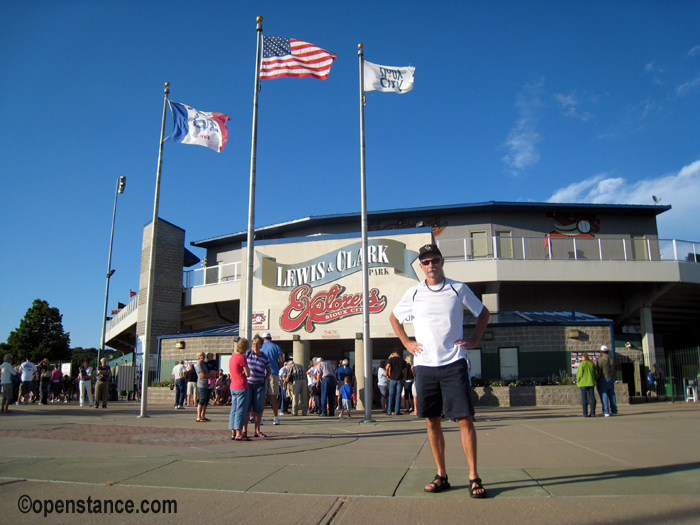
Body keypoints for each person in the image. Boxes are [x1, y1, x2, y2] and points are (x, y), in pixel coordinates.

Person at [390, 243, 490, 498]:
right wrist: (407, 343)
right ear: (421, 266)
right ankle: (441, 475)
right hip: (425, 365)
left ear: (442, 262)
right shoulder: (413, 293)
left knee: (465, 419)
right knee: (432, 420)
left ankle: (474, 477)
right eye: (426, 262)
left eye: (435, 260)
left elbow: (483, 313)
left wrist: (474, 341)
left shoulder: (458, 289)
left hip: (453, 362)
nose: (431, 265)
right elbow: (394, 318)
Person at [246, 334, 271, 437]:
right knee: (247, 407)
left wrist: (265, 380)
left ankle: (257, 430)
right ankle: (244, 430)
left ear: (261, 345)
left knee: (258, 407)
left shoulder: (264, 356)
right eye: (253, 344)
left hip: (259, 384)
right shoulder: (247, 355)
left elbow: (268, 370)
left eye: (257, 344)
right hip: (248, 383)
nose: (255, 346)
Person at [229, 338, 251, 441]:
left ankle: (233, 431)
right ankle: (239, 432)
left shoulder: (233, 357)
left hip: (233, 385)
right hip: (241, 385)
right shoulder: (242, 358)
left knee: (234, 409)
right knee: (240, 409)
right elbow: (247, 373)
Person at [260, 332, 284, 425]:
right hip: (273, 372)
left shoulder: (261, 346)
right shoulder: (276, 346)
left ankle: (260, 418)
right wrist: (279, 369)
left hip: (262, 373)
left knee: (263, 397)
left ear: (263, 338)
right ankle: (275, 417)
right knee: (274, 396)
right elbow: (281, 360)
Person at [596, 345, 618, 417]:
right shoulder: (612, 359)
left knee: (604, 394)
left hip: (603, 378)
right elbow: (616, 370)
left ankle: (606, 411)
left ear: (601, 351)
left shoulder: (600, 360)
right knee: (612, 394)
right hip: (611, 378)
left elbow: (599, 371)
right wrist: (614, 377)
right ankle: (614, 411)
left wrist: (597, 379)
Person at [195, 352, 216, 422]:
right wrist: (211, 376)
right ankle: (198, 416)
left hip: (208, 384)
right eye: (200, 356)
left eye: (203, 356)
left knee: (206, 400)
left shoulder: (205, 363)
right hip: (202, 384)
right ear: (198, 357)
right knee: (202, 399)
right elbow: (203, 374)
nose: (202, 357)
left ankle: (203, 415)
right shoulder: (199, 364)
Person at [575, 352, 597, 417]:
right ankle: (593, 412)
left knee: (584, 398)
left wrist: (578, 380)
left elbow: (579, 374)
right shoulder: (592, 364)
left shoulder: (582, 364)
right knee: (592, 397)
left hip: (583, 383)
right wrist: (595, 379)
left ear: (583, 357)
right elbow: (595, 373)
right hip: (591, 382)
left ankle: (585, 413)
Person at [386, 349, 406, 415]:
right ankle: (397, 410)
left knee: (391, 395)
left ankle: (389, 411)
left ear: (395, 353)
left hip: (392, 378)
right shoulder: (402, 360)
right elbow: (405, 370)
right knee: (398, 395)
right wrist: (404, 378)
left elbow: (387, 367)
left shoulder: (391, 359)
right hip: (400, 378)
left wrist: (387, 374)